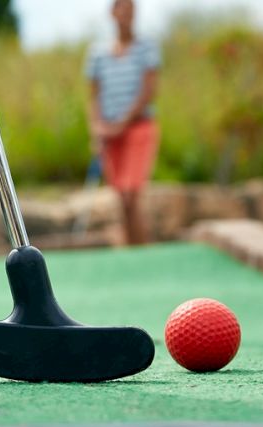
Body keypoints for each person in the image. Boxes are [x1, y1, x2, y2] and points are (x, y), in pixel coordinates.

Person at [86, 0, 160, 245]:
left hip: (138, 128)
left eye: (131, 10)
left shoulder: (146, 47)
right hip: (109, 133)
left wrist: (122, 124)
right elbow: (94, 96)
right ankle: (131, 251)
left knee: (131, 194)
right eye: (122, 9)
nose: (127, 15)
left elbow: (148, 91)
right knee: (120, 197)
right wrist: (97, 129)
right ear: (113, 12)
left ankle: (143, 253)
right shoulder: (97, 53)